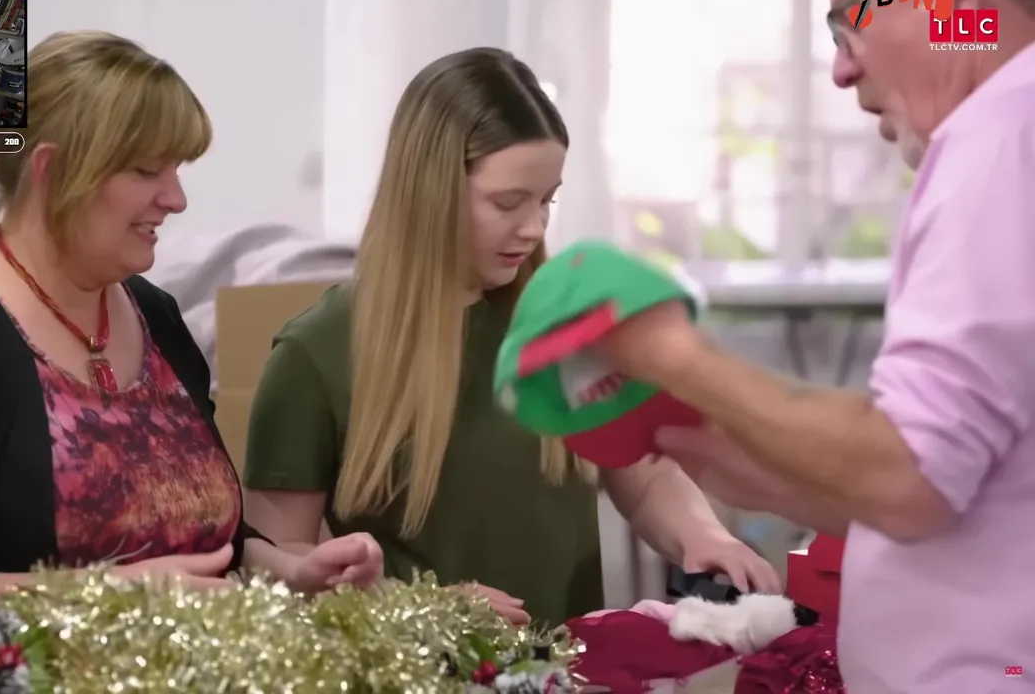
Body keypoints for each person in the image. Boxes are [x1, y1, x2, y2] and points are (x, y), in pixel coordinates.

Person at [0, 31, 382, 639]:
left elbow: (203, 540)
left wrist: (292, 570)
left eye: (176, 170)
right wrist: (105, 596)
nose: (176, 198)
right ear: (51, 171)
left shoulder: (155, 315)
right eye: (148, 171)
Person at [241, 47, 780, 630]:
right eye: (507, 203)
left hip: (573, 665)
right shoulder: (313, 355)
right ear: (429, 191)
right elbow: (279, 565)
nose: (533, 227)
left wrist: (702, 536)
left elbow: (643, 473)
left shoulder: (569, 326)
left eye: (547, 201)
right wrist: (419, 610)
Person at [598, 0, 1035, 690]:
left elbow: (910, 476)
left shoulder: (998, 141)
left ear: (958, 3)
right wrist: (709, 446)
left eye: (850, 23)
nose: (840, 69)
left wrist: (671, 352)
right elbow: (953, 486)